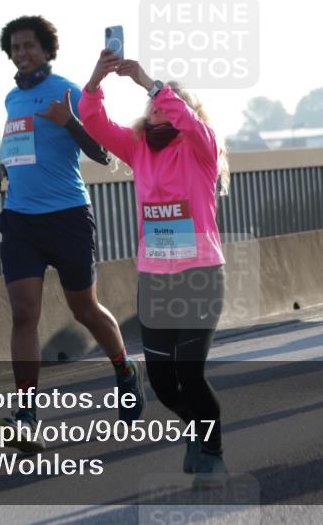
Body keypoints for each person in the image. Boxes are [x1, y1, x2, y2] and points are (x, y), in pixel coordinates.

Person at [0, 16, 144, 451]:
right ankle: (26, 414)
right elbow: (19, 151)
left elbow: (104, 154)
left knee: (84, 308)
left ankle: (124, 369)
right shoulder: (10, 99)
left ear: (46, 50)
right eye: (16, 47)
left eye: (29, 46)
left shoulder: (68, 90)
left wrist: (70, 121)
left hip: (67, 216)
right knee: (24, 312)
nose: (22, 53)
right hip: (20, 219)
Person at [79, 50, 230, 484]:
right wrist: (94, 83)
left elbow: (189, 120)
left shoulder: (201, 146)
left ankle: (213, 448)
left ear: (186, 111)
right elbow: (94, 123)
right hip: (155, 280)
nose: (161, 107)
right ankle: (195, 430)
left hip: (200, 275)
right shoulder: (138, 147)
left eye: (170, 103)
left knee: (191, 374)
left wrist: (151, 82)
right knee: (164, 384)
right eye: (155, 105)